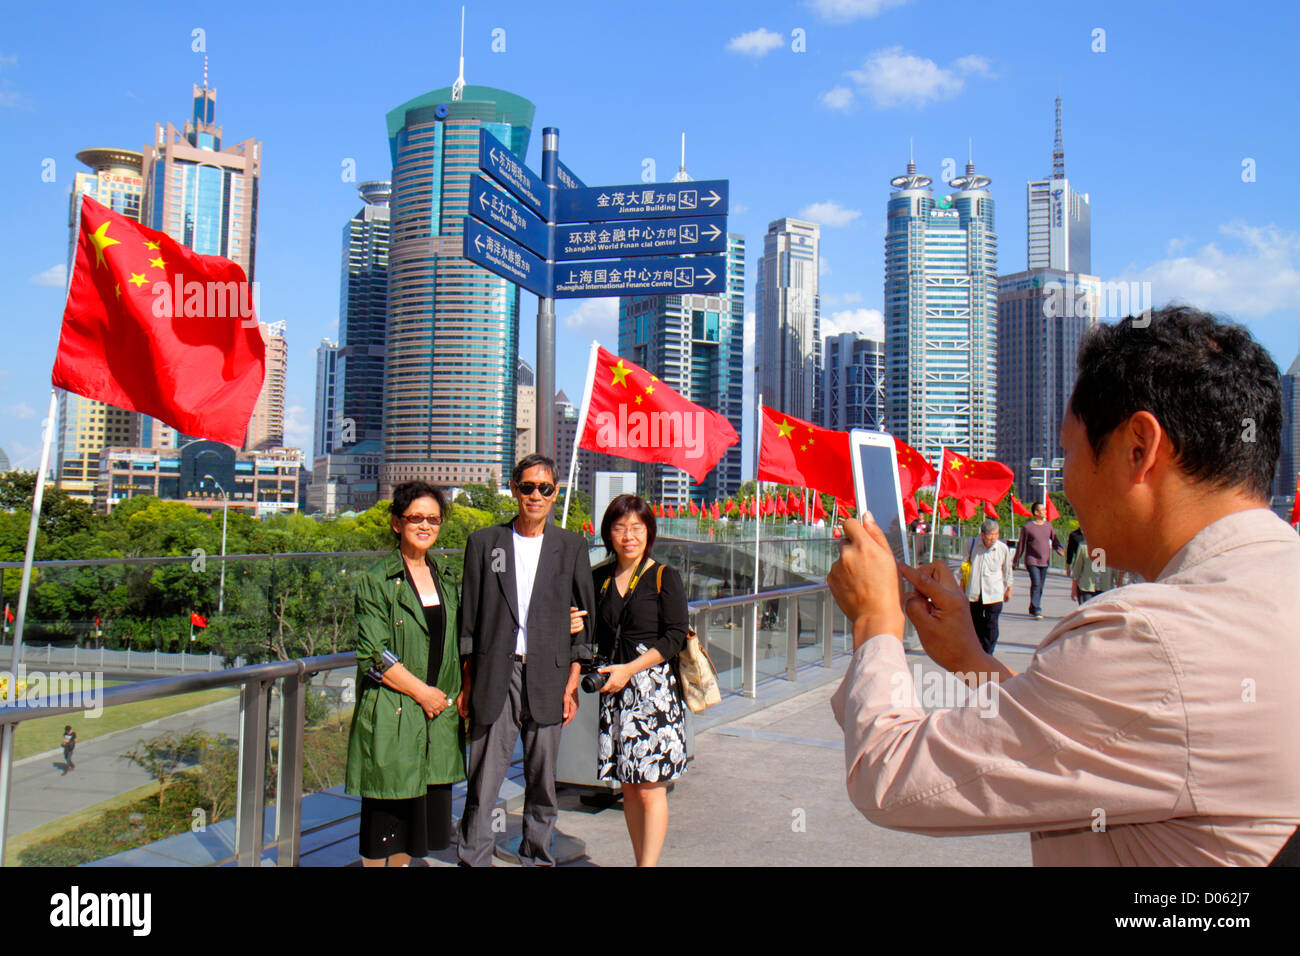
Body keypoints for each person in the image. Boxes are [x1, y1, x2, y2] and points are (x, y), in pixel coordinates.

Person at [826, 305, 1300, 865]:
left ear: (1137, 449)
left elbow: (892, 777)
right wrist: (971, 658)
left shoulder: (1153, 637)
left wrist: (876, 621)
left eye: (1069, 451)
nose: (1067, 480)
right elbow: (1105, 740)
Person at [457, 453, 596, 867]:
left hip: (548, 677)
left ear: (556, 494)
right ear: (515, 490)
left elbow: (584, 622)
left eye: (545, 488)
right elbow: (469, 623)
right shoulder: (485, 544)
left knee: (542, 781)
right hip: (493, 675)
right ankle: (473, 858)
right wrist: (467, 684)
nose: (536, 495)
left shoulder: (570, 546)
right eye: (528, 487)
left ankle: (537, 854)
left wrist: (572, 681)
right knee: (484, 778)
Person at [344, 481, 464, 866]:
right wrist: (423, 693)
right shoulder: (377, 580)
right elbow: (374, 654)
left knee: (415, 837)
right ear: (397, 523)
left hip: (436, 721)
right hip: (395, 714)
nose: (425, 525)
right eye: (416, 518)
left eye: (433, 518)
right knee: (383, 833)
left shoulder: (446, 578)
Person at [590, 494, 689, 867]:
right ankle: (639, 861)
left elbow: (675, 636)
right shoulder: (598, 576)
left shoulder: (664, 576)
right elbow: (589, 628)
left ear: (649, 532)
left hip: (653, 694)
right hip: (614, 691)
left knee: (650, 789)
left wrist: (630, 669)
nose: (628, 535)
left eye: (636, 527)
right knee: (629, 788)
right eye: (619, 528)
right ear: (608, 533)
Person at [964, 519, 1013, 653]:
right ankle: (980, 648)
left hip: (994, 592)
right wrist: (961, 586)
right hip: (975, 592)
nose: (993, 538)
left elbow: (1007, 569)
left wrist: (1009, 588)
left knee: (992, 623)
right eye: (990, 535)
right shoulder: (972, 544)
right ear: (982, 535)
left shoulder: (1002, 548)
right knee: (976, 622)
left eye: (996, 534)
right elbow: (964, 565)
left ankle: (988, 651)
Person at [1012, 501, 1064, 618]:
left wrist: (1059, 549)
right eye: (1043, 510)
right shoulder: (1028, 527)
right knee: (1036, 583)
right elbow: (1021, 545)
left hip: (1044, 561)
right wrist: (1015, 561)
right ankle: (1037, 608)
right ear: (1036, 512)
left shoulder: (1048, 526)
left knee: (1040, 585)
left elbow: (1055, 540)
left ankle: (1032, 606)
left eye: (1045, 510)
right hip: (1032, 560)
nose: (1045, 512)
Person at [1069, 533, 1127, 604]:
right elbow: (1077, 569)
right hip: (1087, 587)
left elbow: (1116, 570)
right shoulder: (1084, 546)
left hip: (1105, 587)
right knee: (1088, 611)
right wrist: (1074, 588)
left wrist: (1119, 587)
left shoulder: (1112, 548)